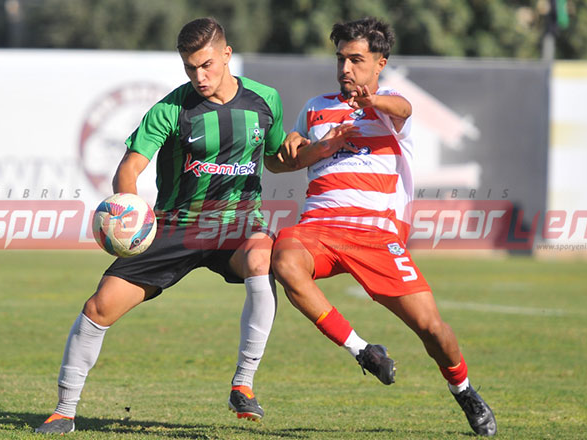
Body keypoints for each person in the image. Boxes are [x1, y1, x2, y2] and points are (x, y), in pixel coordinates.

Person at [36, 17, 287, 434]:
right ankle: (64, 411)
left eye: (207, 65)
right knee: (99, 307)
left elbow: (279, 156)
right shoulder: (172, 109)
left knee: (263, 257)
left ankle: (243, 383)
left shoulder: (266, 100)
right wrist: (128, 210)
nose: (199, 76)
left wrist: (317, 149)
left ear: (227, 54)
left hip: (239, 226)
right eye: (190, 68)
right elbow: (130, 168)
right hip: (177, 226)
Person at [268, 17, 497, 436]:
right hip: (319, 226)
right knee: (283, 259)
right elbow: (286, 161)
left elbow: (405, 109)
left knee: (433, 330)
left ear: (380, 63)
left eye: (356, 60)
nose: (345, 70)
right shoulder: (316, 107)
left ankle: (464, 390)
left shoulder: (389, 105)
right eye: (340, 59)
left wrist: (373, 102)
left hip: (375, 234)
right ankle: (363, 351)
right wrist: (299, 147)